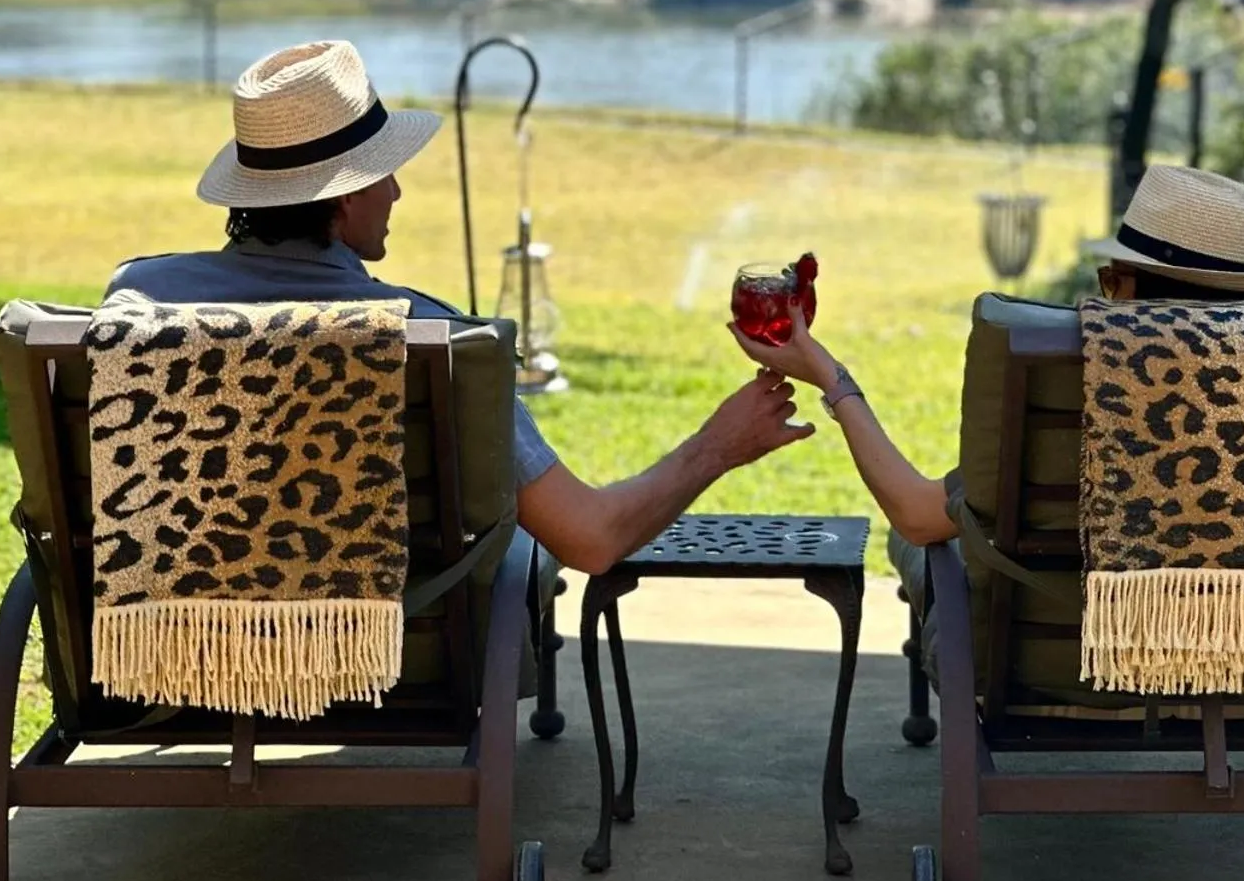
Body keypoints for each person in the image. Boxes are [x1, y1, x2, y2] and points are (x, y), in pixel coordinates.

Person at [107, 38, 813, 574]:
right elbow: (589, 537)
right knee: (520, 564)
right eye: (387, 174)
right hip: (381, 647)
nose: (398, 194)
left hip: (162, 630)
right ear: (349, 196)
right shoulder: (431, 334)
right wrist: (717, 447)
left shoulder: (140, 300)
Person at [732, 163, 1244, 550]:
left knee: (928, 556)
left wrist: (829, 376)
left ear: (1118, 285)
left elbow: (918, 517)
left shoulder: (1081, 375)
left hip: (1079, 659)